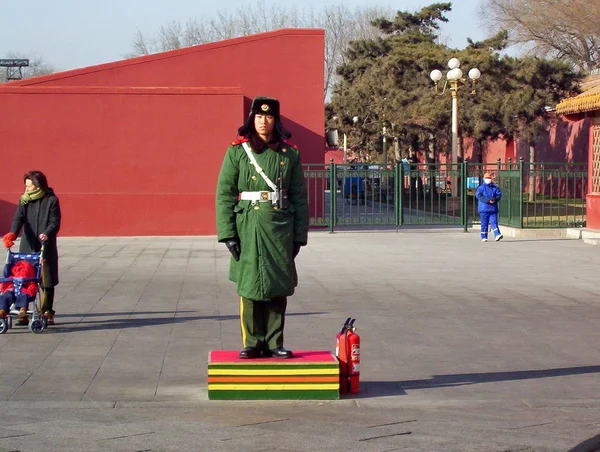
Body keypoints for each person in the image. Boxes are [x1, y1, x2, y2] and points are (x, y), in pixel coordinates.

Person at [216, 96, 309, 359]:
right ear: (251, 119)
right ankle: (252, 342)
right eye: (258, 116)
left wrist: (299, 236)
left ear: (276, 120)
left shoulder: (289, 154)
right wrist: (228, 234)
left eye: (268, 117)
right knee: (250, 284)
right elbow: (224, 193)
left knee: (277, 285)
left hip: (280, 227)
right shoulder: (238, 152)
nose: (263, 122)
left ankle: (274, 341)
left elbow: (300, 197)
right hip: (248, 225)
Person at [3, 171, 61, 324]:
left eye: (29, 186)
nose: (26, 189)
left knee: (47, 282)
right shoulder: (24, 200)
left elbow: (55, 222)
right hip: (27, 246)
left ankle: (47, 311)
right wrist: (12, 234)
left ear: (37, 186)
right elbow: (18, 219)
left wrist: (47, 233)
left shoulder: (52, 200)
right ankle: (23, 311)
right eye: (26, 186)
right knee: (25, 279)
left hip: (45, 246)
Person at [476, 172, 503, 242]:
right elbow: (479, 196)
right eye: (486, 178)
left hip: (493, 209)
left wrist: (495, 199)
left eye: (489, 178)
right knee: (484, 223)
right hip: (484, 209)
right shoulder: (481, 188)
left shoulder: (495, 188)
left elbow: (498, 195)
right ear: (484, 179)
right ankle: (484, 237)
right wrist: (488, 200)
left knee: (494, 222)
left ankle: (497, 234)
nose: (488, 179)